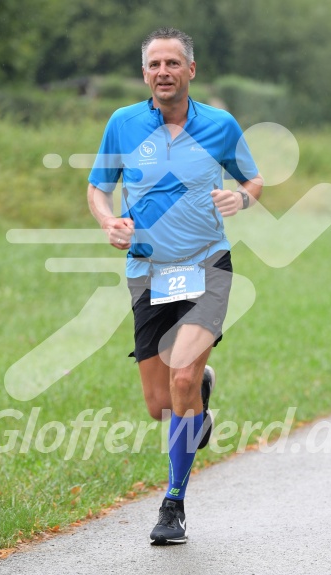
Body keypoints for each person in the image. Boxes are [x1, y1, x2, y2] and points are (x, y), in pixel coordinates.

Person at [87, 27, 263, 545]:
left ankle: (173, 505)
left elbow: (252, 179)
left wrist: (242, 200)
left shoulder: (220, 125)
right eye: (154, 64)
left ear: (191, 71)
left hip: (207, 265)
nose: (163, 72)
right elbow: (98, 188)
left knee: (182, 379)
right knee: (160, 405)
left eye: (172, 63)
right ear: (145, 74)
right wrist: (107, 222)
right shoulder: (123, 124)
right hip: (147, 273)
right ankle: (202, 393)